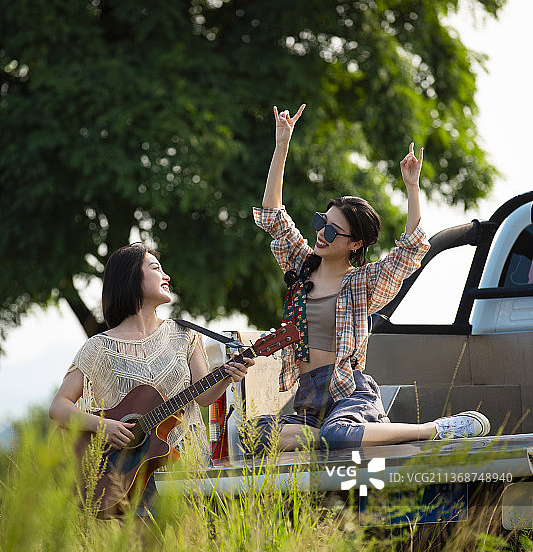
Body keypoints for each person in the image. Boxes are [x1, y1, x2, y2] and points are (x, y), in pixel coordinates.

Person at [252, 104, 490, 452]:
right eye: (321, 222)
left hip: (348, 393)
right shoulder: (302, 263)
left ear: (356, 243)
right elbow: (272, 216)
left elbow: (411, 249)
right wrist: (282, 144)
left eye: (332, 232)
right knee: (252, 436)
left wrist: (412, 187)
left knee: (338, 435)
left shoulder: (362, 282)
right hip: (308, 400)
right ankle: (324, 437)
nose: (320, 234)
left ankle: (432, 429)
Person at [49, 243, 254, 507]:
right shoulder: (98, 347)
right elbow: (59, 406)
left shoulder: (185, 335)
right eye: (156, 268)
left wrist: (227, 375)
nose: (167, 276)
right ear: (131, 277)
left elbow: (203, 397)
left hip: (187, 464)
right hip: (127, 475)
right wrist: (104, 426)